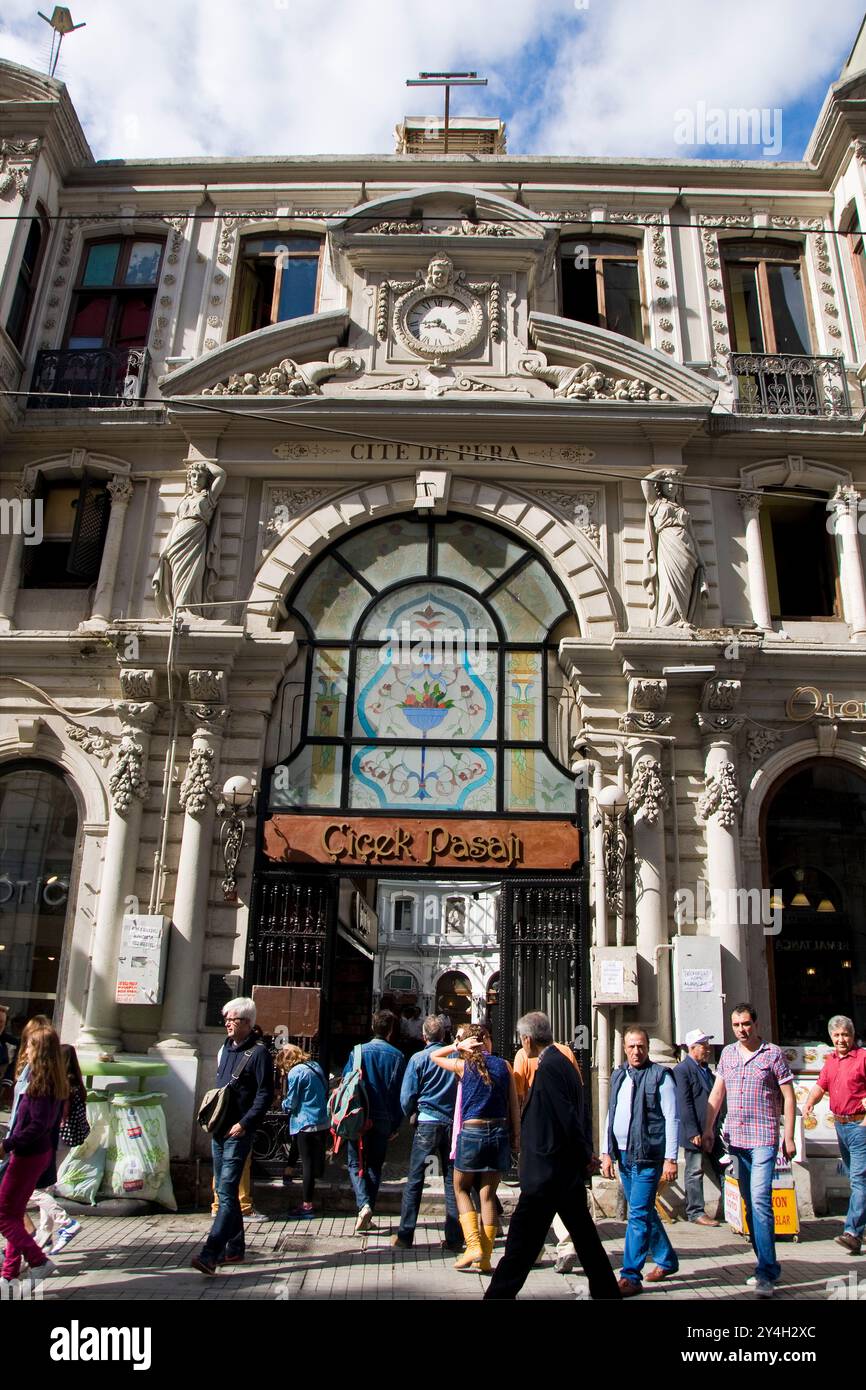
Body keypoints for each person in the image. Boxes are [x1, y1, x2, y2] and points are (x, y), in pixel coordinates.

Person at [485, 1013, 620, 1301]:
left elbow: (567, 1116)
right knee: (586, 1241)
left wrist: (585, 1153)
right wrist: (584, 1152)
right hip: (561, 1174)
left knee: (519, 1247)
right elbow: (575, 1112)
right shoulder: (563, 1062)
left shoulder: (549, 1068)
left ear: (527, 1039)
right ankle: (607, 1293)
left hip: (547, 1174)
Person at [703, 1002, 796, 1297]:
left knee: (760, 1201)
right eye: (736, 1025)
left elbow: (789, 1096)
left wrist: (789, 1136)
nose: (741, 1030)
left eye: (746, 1024)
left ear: (756, 1024)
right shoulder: (728, 1054)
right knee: (748, 1203)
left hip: (764, 1139)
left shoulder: (772, 1054)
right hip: (736, 1140)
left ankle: (766, 1273)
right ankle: (765, 1264)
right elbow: (717, 1093)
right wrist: (708, 1128)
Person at [191, 997, 274, 1277]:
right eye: (225, 1018)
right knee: (224, 1191)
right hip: (219, 1129)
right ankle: (235, 1248)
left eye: (233, 1019)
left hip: (238, 1132)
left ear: (247, 1023)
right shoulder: (225, 1048)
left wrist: (245, 1123)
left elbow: (265, 1094)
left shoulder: (259, 1054)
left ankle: (210, 1253)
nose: (227, 1023)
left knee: (226, 1191)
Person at [430, 1022, 520, 1273]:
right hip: (499, 1131)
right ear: (486, 1041)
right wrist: (516, 1136)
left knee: (460, 1188)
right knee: (488, 1195)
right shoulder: (504, 1065)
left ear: (469, 1044)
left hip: (472, 1132)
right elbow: (513, 1104)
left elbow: (433, 1056)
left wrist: (456, 1046)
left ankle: (473, 1246)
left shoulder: (463, 1065)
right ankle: (486, 1256)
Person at [601, 1025, 679, 1297]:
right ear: (624, 1048)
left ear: (648, 1048)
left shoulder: (661, 1076)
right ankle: (667, 1260)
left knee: (637, 1215)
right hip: (624, 1155)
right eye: (632, 1046)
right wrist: (606, 1152)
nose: (636, 1051)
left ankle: (630, 1276)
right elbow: (611, 1114)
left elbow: (672, 1118)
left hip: (648, 1155)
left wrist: (671, 1158)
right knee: (644, 1211)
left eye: (641, 1046)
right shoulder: (619, 1075)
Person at [0, 1022, 68, 1286]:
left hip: (27, 1156)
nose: (25, 1050)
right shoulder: (48, 1081)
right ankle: (9, 1274)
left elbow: (37, 1126)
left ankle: (39, 1261)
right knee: (14, 1214)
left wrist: (8, 1144)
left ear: (39, 1051)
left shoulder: (41, 1085)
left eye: (29, 1045)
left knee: (4, 1214)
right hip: (33, 1155)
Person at [513, 1032, 587, 1273]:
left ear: (528, 1038)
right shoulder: (566, 1053)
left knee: (535, 1196)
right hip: (563, 1143)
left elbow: (519, 1095)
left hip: (539, 1141)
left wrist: (517, 1133)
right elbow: (578, 1092)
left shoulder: (523, 1056)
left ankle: (532, 1251)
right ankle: (565, 1246)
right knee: (562, 1197)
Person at [391, 1014, 461, 1252]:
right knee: (452, 1180)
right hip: (451, 1122)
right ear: (444, 1035)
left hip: (427, 1120)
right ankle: (454, 1237)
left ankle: (405, 1235)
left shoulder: (418, 1058)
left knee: (415, 1179)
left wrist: (411, 1113)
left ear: (424, 1037)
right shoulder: (455, 1057)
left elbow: (407, 1095)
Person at [801, 1014, 866, 1255]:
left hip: (860, 1126)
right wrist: (809, 1101)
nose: (841, 1039)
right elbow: (821, 1085)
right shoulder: (831, 1061)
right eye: (837, 1035)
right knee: (857, 1179)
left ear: (852, 1035)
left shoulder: (862, 1058)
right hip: (840, 1125)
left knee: (858, 1180)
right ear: (831, 1037)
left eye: (845, 1035)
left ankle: (853, 1234)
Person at [344, 1009, 405, 1234]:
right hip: (383, 1117)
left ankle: (364, 1205)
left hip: (358, 1116)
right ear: (390, 1030)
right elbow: (401, 1094)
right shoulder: (398, 1056)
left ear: (373, 1027)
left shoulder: (357, 1051)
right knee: (375, 1165)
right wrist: (396, 1123)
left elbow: (346, 1083)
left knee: (355, 1163)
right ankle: (367, 1208)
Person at [30, 1042, 87, 1254]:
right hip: (68, 1141)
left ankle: (65, 1222)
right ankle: (45, 1234)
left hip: (56, 1139)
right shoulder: (77, 1084)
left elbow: (58, 1117)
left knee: (33, 1188)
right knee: (46, 1186)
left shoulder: (61, 1085)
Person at [674, 1029, 725, 1227]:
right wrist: (692, 1131)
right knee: (694, 1170)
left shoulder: (707, 1072)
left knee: (723, 1166)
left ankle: (732, 1207)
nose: (708, 1049)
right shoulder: (682, 1070)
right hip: (695, 1131)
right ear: (692, 1048)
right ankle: (695, 1211)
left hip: (712, 1130)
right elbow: (684, 1102)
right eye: (704, 1045)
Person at [278, 1044, 329, 1219]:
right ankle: (288, 1170)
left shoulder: (295, 1072)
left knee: (307, 1164)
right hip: (321, 1120)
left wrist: (283, 1104)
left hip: (305, 1121)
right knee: (301, 1148)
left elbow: (292, 1101)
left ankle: (307, 1205)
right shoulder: (315, 1066)